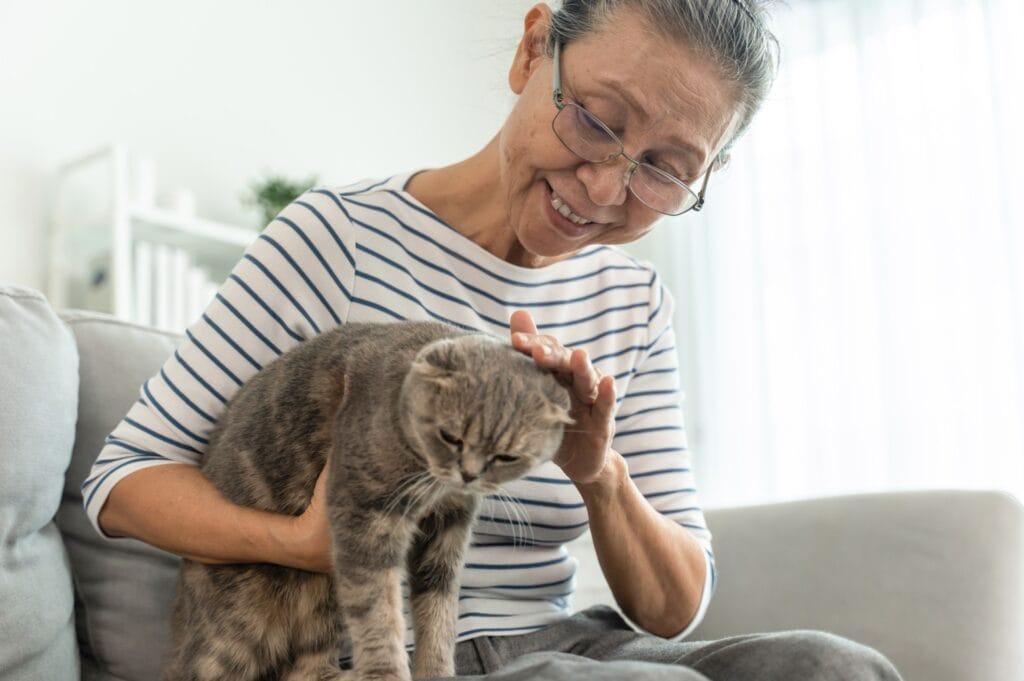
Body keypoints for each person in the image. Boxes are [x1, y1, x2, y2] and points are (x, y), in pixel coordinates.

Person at [83, 1, 903, 679]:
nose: (604, 189)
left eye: (664, 169)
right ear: (533, 49)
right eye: (594, 120)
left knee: (833, 667)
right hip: (376, 650)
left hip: (559, 646)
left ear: (707, 176)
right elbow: (121, 482)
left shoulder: (635, 302)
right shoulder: (340, 237)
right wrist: (301, 542)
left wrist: (598, 474)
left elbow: (674, 607)